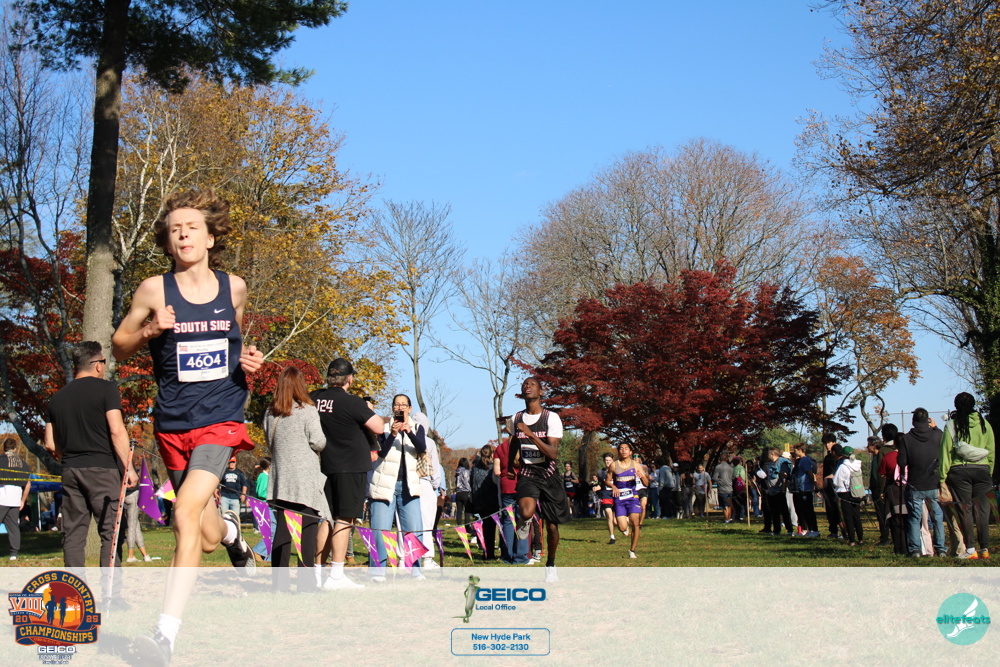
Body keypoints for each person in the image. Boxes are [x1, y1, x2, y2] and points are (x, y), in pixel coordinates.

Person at [112, 190, 264, 662]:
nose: (183, 234)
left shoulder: (234, 288)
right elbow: (118, 344)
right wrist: (150, 331)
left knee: (183, 515)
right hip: (173, 422)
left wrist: (246, 359)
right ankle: (233, 535)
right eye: (175, 229)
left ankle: (164, 636)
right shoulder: (154, 291)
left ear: (210, 237)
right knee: (205, 534)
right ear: (168, 241)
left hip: (221, 417)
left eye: (192, 226)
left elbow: (233, 342)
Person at [43, 341, 138, 568]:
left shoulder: (57, 398)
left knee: (73, 534)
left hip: (70, 470)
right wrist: (129, 468)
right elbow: (117, 431)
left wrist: (70, 455)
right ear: (97, 364)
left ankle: (74, 587)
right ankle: (111, 588)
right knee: (111, 532)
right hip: (103, 469)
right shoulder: (106, 389)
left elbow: (49, 443)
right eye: (103, 361)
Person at [311, 357, 382, 588]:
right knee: (344, 519)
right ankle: (336, 575)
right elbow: (378, 427)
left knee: (328, 519)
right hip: (351, 466)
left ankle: (317, 572)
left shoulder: (314, 398)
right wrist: (368, 410)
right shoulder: (352, 402)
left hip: (326, 465)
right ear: (349, 379)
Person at [264, 366, 330, 592]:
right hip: (304, 479)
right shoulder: (307, 410)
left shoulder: (270, 413)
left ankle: (279, 585)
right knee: (307, 532)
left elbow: (269, 442)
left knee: (282, 533)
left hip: (281, 478)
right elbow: (318, 442)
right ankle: (306, 584)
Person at [505, 377, 571, 582]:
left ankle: (550, 564)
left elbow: (553, 453)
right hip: (528, 474)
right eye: (525, 384)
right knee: (526, 512)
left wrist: (530, 434)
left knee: (552, 526)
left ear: (541, 392)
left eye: (532, 384)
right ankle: (524, 521)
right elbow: (514, 443)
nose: (527, 386)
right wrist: (510, 466)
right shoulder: (516, 418)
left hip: (549, 474)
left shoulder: (551, 418)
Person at [369, 393, 427, 580]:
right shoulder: (383, 428)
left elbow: (422, 448)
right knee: (380, 530)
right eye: (396, 404)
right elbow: (381, 453)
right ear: (392, 408)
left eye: (404, 405)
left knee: (414, 530)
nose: (400, 407)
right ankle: (378, 571)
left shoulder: (417, 427)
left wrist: (409, 432)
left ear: (410, 409)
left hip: (409, 486)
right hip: (384, 485)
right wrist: (393, 434)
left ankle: (416, 570)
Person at [940, 392, 996, 559]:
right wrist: (988, 471)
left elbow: (945, 451)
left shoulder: (952, 424)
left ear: (956, 406)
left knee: (965, 510)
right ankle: (984, 549)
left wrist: (942, 476)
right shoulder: (984, 424)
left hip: (960, 471)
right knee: (983, 511)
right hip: (982, 470)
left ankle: (970, 549)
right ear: (973, 404)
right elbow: (991, 450)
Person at [897, 407, 946, 557]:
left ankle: (915, 549)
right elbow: (944, 446)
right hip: (934, 483)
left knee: (914, 518)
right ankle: (941, 548)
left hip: (915, 484)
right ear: (928, 420)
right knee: (937, 517)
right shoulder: (938, 435)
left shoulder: (906, 439)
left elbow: (902, 462)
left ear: (913, 421)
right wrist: (936, 428)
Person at [606, 442, 649, 558]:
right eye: (621, 448)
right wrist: (613, 486)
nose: (624, 450)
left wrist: (642, 477)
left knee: (636, 523)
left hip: (633, 498)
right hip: (619, 499)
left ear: (630, 452)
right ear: (618, 451)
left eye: (626, 448)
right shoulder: (614, 465)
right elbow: (607, 480)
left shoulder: (636, 465)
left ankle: (632, 550)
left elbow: (646, 484)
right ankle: (625, 526)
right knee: (622, 527)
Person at [494, 432, 529, 564]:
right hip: (523, 486)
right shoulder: (525, 446)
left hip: (506, 486)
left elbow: (496, 472)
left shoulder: (500, 448)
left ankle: (507, 555)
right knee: (522, 520)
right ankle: (520, 555)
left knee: (508, 521)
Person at [878, 424, 907, 554]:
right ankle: (912, 546)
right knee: (910, 520)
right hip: (910, 490)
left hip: (893, 490)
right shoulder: (911, 456)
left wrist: (881, 490)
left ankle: (899, 548)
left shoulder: (888, 456)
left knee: (895, 520)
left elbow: (881, 474)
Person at [0, 438, 31, 560]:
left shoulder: (1, 460)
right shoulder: (23, 464)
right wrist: (22, 500)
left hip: (2, 498)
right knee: (13, 527)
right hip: (15, 499)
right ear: (15, 449)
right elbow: (28, 484)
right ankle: (14, 554)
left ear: (4, 448)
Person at [469, 444, 499, 559]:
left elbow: (472, 483)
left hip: (479, 500)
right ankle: (490, 553)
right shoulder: (492, 468)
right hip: (491, 500)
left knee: (486, 526)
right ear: (491, 454)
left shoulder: (475, 468)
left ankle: (486, 551)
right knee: (492, 527)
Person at [833, 446, 864, 546]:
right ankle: (861, 538)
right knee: (857, 516)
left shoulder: (843, 466)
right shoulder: (858, 466)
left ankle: (852, 540)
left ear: (843, 455)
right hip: (856, 492)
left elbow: (836, 481)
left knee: (848, 517)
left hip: (845, 493)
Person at [125, 458, 152, 563]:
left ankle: (145, 555)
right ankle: (130, 556)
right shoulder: (128, 459)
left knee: (135, 525)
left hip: (123, 494)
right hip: (132, 493)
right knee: (132, 526)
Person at [790, 443, 819, 537]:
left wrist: (814, 484)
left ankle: (814, 530)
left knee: (809, 510)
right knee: (803, 510)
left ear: (800, 450)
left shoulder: (805, 460)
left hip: (806, 488)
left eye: (795, 450)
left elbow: (810, 473)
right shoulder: (799, 461)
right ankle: (808, 529)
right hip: (800, 488)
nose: (794, 452)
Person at [865, 436, 890, 546]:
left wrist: (879, 490)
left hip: (879, 490)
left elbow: (878, 476)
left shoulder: (878, 458)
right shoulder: (876, 457)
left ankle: (885, 537)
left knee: (882, 514)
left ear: (874, 446)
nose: (867, 447)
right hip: (878, 489)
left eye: (869, 445)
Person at [818, 433, 842, 538]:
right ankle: (833, 531)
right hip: (828, 486)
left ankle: (844, 531)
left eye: (829, 443)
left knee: (837, 509)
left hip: (836, 486)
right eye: (825, 443)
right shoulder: (828, 457)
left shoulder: (838, 457)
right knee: (830, 509)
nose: (827, 445)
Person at [597, 452, 617, 541]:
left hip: (616, 495)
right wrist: (597, 487)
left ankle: (625, 526)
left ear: (612, 460)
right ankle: (612, 537)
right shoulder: (600, 472)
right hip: (605, 495)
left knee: (616, 520)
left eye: (609, 460)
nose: (608, 462)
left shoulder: (617, 471)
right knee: (609, 515)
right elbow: (600, 484)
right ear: (604, 461)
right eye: (606, 460)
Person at [712, 454, 735, 523]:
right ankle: (729, 518)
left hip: (722, 489)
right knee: (729, 505)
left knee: (725, 506)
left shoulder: (718, 467)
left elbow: (714, 478)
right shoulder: (731, 467)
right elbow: (733, 477)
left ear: (720, 459)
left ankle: (726, 519)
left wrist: (720, 481)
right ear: (727, 459)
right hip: (730, 488)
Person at [454, 458, 472, 526]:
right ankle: (467, 526)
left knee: (459, 511)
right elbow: (469, 481)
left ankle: (459, 526)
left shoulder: (457, 472)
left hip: (458, 492)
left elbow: (455, 481)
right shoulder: (468, 472)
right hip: (466, 492)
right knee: (467, 511)